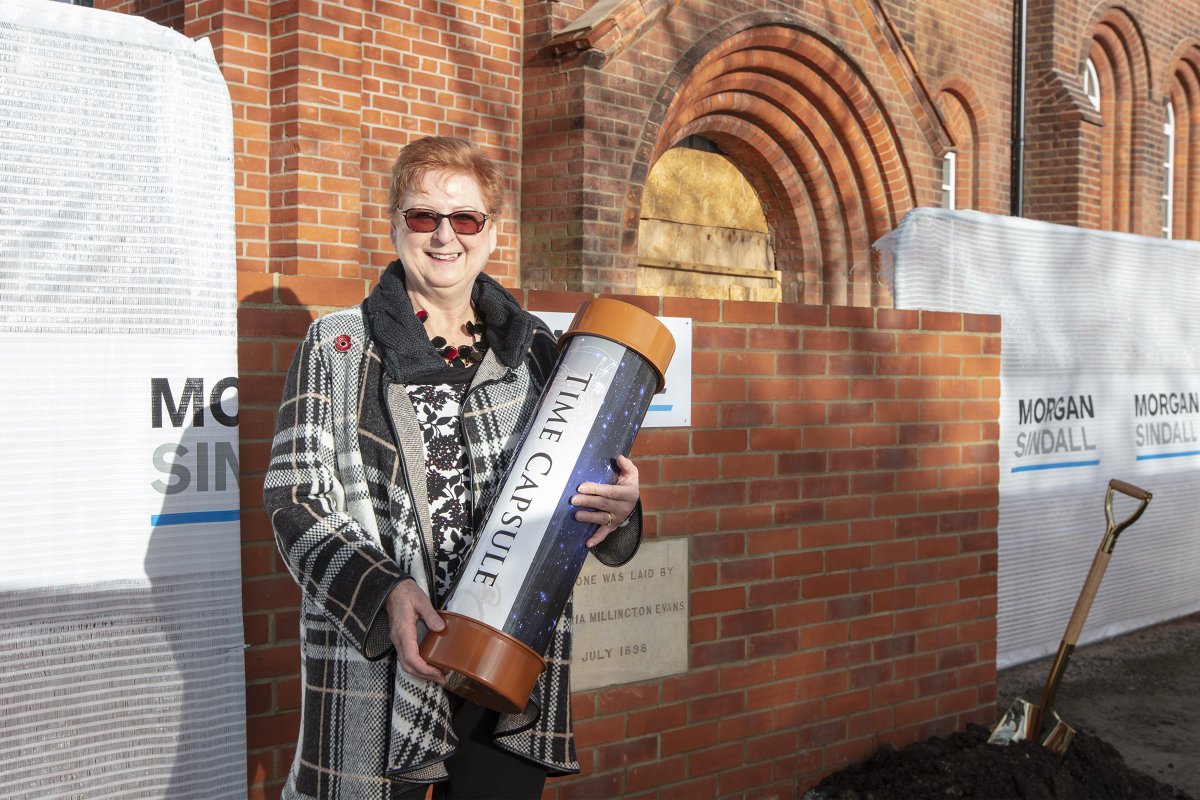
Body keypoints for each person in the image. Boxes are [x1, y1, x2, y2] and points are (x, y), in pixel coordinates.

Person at [264, 135, 643, 800]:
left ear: (491, 234)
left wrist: (619, 507)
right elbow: (294, 497)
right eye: (423, 216)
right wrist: (384, 590)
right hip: (385, 663)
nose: (445, 236)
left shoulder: (537, 350)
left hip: (507, 663)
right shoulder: (338, 346)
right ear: (395, 227)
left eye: (465, 218)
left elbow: (578, 481)